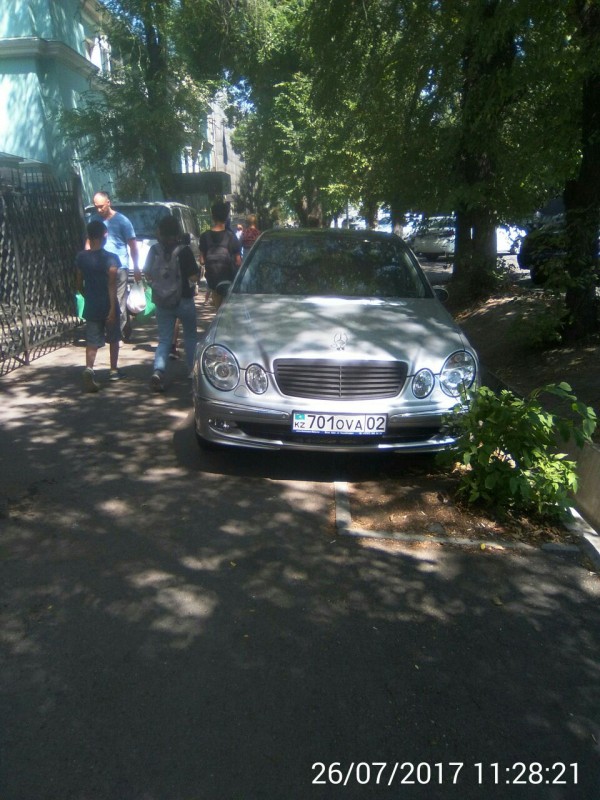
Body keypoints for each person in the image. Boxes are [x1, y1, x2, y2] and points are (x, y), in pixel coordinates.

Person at [145, 216, 199, 392]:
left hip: (162, 301)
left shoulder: (154, 250)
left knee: (164, 340)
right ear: (177, 231)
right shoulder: (185, 251)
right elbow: (193, 276)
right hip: (184, 300)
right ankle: (192, 371)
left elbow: (147, 273)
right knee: (190, 337)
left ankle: (158, 371)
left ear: (160, 231)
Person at [87, 191, 141, 341]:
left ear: (108, 203)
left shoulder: (122, 221)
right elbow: (89, 241)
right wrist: (87, 258)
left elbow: (133, 246)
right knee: (104, 299)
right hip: (99, 267)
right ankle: (111, 329)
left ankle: (118, 333)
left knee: (118, 300)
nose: (99, 210)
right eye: (96, 207)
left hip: (119, 267)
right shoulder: (94, 220)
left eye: (101, 206)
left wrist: (136, 267)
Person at [75, 220, 122, 392]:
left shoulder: (81, 257)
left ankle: (89, 369)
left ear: (89, 236)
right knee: (114, 338)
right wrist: (112, 309)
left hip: (92, 304)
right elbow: (112, 285)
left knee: (92, 340)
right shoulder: (111, 258)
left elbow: (78, 283)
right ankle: (113, 370)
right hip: (108, 304)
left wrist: (87, 295)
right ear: (104, 236)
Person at [199, 201, 242, 311]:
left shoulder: (204, 236)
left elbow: (202, 261)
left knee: (219, 312)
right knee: (230, 312)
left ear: (213, 217)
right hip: (229, 282)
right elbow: (238, 262)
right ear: (227, 217)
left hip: (213, 283)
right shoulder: (232, 237)